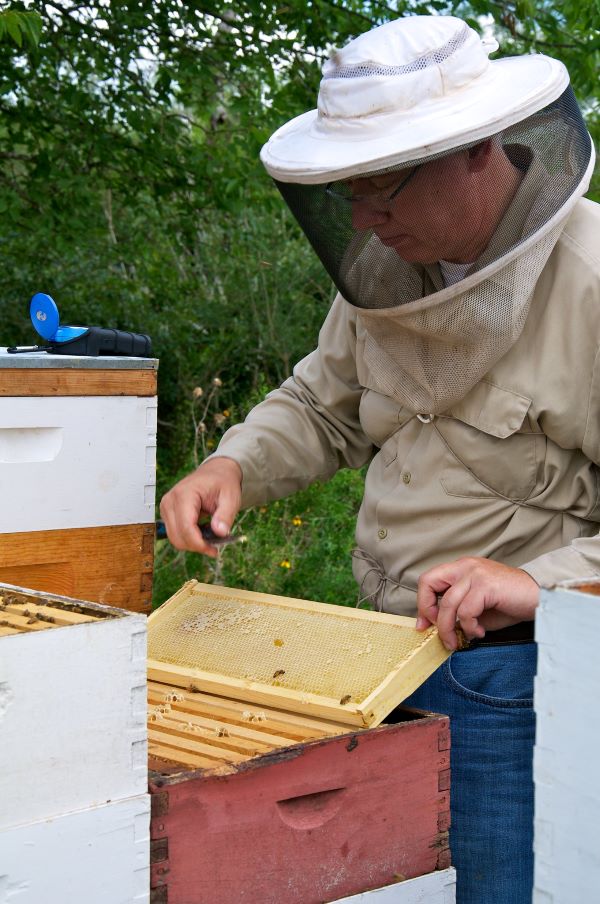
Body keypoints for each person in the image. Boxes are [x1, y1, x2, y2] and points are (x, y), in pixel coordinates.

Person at [160, 15, 599, 903]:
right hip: (380, 657)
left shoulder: (590, 281)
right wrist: (234, 464)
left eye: (382, 186)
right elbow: (324, 402)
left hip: (520, 678)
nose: (362, 217)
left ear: (477, 151)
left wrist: (542, 583)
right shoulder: (386, 271)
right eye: (346, 191)